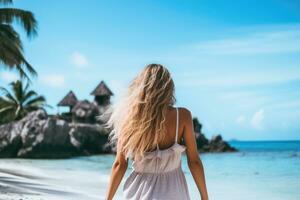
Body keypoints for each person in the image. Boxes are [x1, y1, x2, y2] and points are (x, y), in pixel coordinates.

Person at [105, 64, 208, 200]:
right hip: (173, 191)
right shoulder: (182, 116)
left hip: (139, 191)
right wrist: (204, 197)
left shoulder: (129, 120)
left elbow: (120, 165)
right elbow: (194, 161)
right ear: (168, 87)